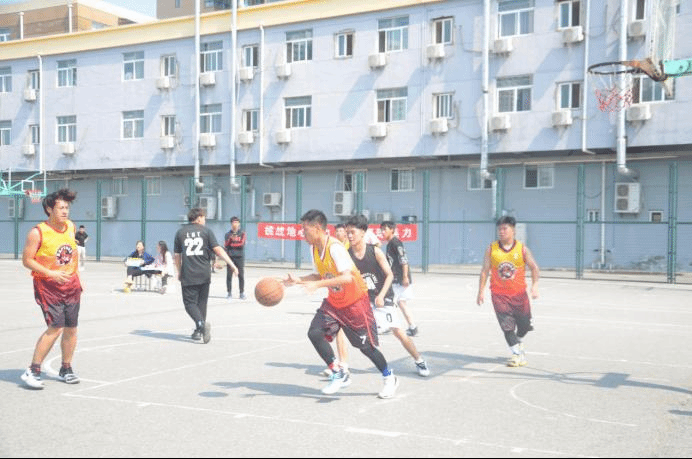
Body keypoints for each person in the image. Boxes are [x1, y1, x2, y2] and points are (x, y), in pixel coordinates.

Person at [284, 209, 398, 399]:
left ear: (317, 227)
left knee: (366, 348)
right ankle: (339, 372)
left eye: (305, 229)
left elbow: (347, 278)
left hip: (355, 303)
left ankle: (389, 377)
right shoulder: (314, 248)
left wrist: (317, 285)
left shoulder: (335, 248)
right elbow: (318, 275)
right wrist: (298, 280)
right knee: (314, 332)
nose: (302, 233)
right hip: (334, 303)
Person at [346, 215, 430, 376]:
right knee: (345, 328)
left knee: (397, 331)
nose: (349, 236)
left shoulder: (375, 251)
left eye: (352, 232)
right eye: (347, 232)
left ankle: (419, 360)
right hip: (364, 298)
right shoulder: (347, 254)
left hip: (383, 297)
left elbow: (390, 275)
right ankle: (341, 366)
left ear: (363, 232)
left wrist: (381, 295)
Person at [20, 188, 82, 389]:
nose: (65, 211)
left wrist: (75, 274)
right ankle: (33, 370)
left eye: (67, 207)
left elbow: (70, 252)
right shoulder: (37, 232)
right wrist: (51, 273)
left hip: (71, 284)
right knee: (55, 328)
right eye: (60, 208)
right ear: (49, 209)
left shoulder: (71, 226)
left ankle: (66, 368)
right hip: (48, 286)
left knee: (71, 328)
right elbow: (27, 260)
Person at [476, 216, 540, 367]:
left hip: (519, 295)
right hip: (499, 295)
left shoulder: (522, 249)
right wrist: (480, 291)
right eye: (499, 229)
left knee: (524, 326)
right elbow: (485, 271)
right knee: (507, 326)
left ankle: (518, 340)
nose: (501, 231)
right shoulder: (491, 249)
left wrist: (535, 285)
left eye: (505, 228)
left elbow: (534, 268)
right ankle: (516, 354)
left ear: (513, 230)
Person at [174, 207, 238, 344]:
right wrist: (232, 264)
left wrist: (179, 271)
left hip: (189, 273)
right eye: (204, 217)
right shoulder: (206, 231)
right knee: (201, 303)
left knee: (189, 304)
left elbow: (177, 256)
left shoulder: (180, 232)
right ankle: (199, 330)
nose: (205, 220)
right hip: (204, 273)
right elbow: (218, 250)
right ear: (198, 218)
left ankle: (201, 325)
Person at [380, 220, 417, 336]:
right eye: (381, 229)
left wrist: (405, 277)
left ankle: (387, 325)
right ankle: (413, 327)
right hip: (397, 279)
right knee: (401, 303)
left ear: (392, 230)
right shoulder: (390, 244)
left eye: (385, 229)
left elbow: (404, 260)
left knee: (388, 302)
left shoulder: (396, 243)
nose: (382, 232)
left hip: (399, 280)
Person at [224, 216, 247, 300]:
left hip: (239, 257)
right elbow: (226, 245)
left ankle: (241, 293)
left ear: (239, 224)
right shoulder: (227, 234)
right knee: (229, 275)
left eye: (237, 222)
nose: (235, 224)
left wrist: (232, 244)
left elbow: (241, 244)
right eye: (234, 222)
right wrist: (231, 239)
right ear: (231, 224)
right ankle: (229, 293)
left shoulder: (242, 233)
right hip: (230, 257)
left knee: (241, 275)